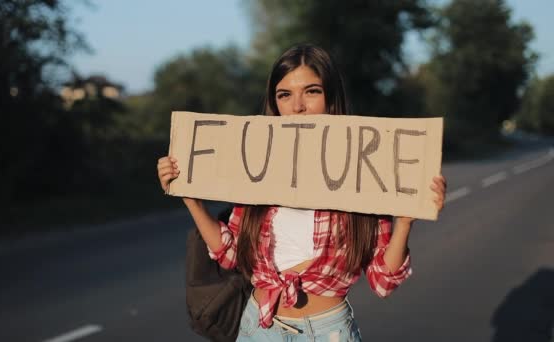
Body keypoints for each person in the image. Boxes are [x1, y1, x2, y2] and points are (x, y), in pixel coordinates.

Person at [157, 44, 447, 341]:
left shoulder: (364, 173)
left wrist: (405, 223)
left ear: (331, 97)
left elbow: (383, 283)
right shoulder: (258, 171)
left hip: (326, 332)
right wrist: (190, 198)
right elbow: (229, 254)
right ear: (275, 103)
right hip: (257, 327)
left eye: (311, 92)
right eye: (285, 95)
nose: (297, 107)